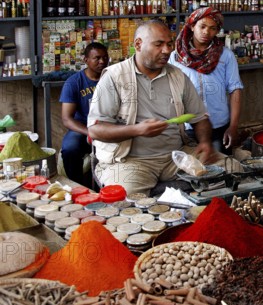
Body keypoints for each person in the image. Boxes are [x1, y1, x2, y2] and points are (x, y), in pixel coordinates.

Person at [87, 20, 215, 195]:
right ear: (138, 44)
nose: (167, 50)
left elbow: (199, 118)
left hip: (175, 157)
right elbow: (95, 130)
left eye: (170, 44)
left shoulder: (178, 76)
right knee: (127, 196)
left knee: (229, 169)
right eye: (159, 44)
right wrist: (137, 130)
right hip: (130, 161)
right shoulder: (114, 77)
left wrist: (205, 142)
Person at [169, 7, 243, 155]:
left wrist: (233, 126)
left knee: (220, 169)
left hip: (219, 125)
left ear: (217, 31)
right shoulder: (176, 57)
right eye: (202, 26)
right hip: (188, 126)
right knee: (191, 171)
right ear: (192, 26)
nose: (206, 32)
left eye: (212, 28)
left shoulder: (225, 56)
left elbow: (235, 89)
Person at [59, 42, 109, 188]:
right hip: (83, 129)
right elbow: (67, 119)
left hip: (109, 126)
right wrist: (90, 132)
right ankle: (77, 187)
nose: (102, 62)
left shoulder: (112, 78)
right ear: (86, 60)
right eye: (97, 58)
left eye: (105, 58)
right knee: (70, 148)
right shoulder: (74, 82)